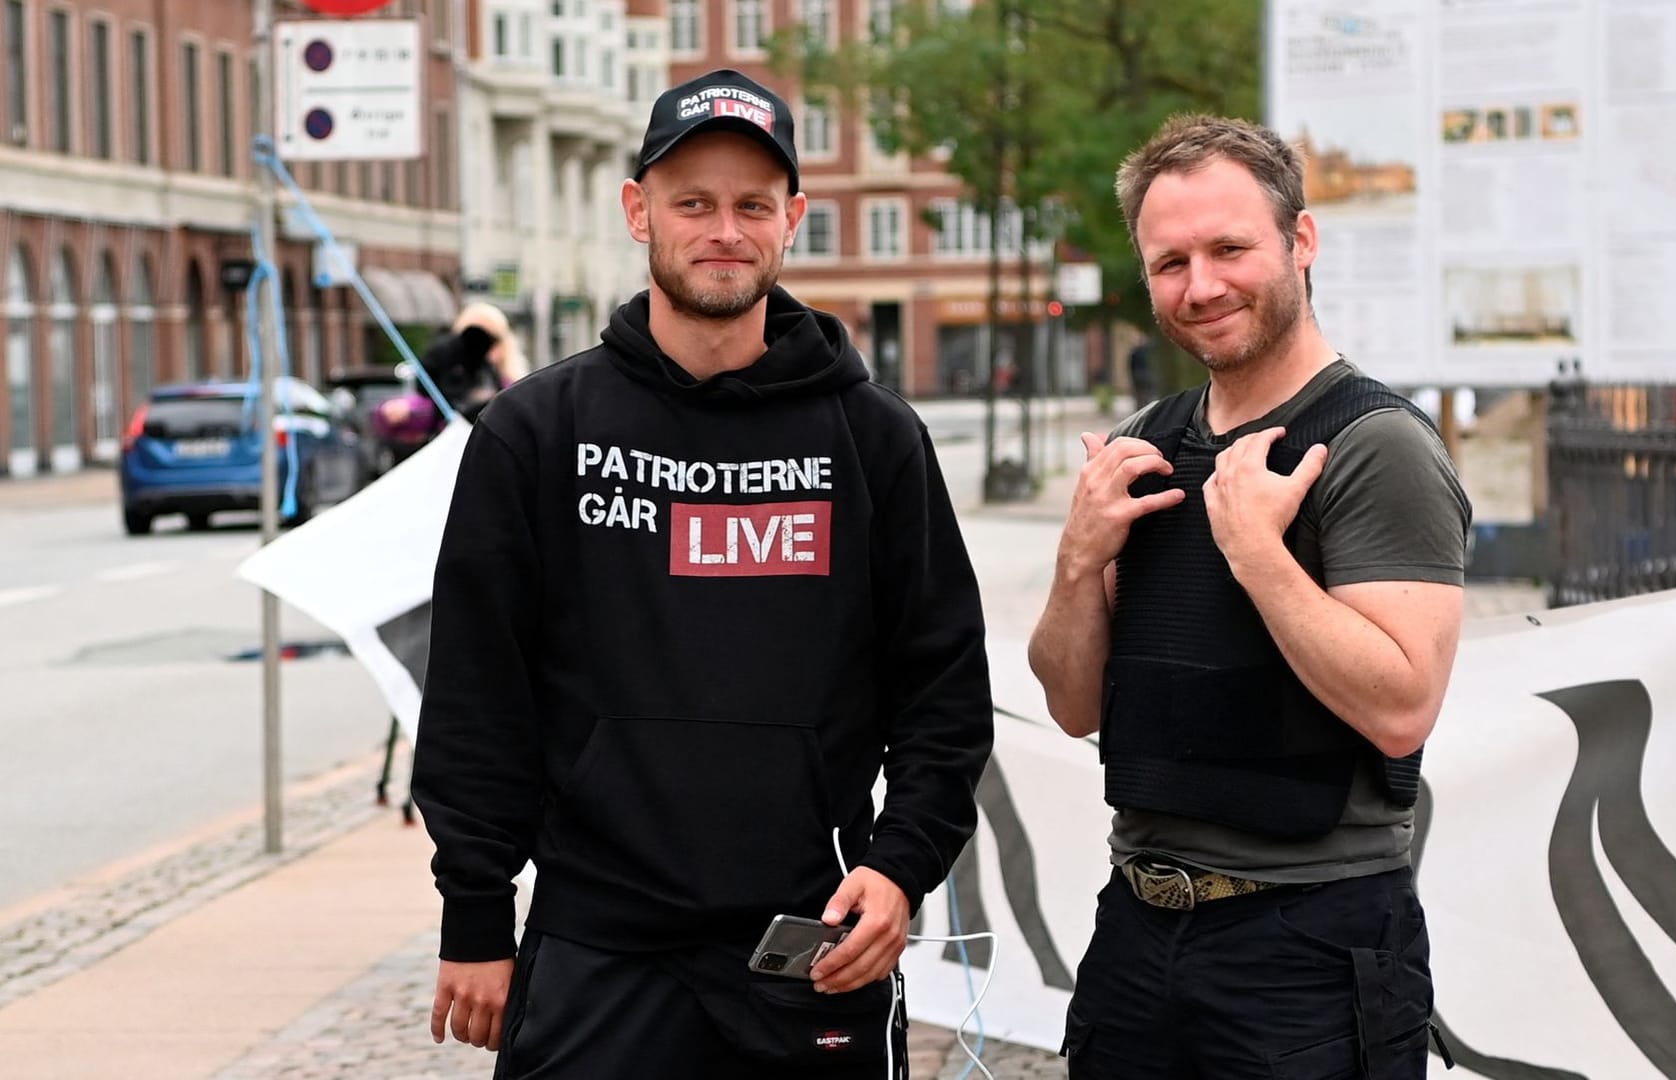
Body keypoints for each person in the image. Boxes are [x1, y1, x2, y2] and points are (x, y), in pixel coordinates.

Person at [412, 67, 994, 1078]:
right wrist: (475, 913)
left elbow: (943, 690)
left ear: (791, 219)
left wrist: (902, 872)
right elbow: (476, 695)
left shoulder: (874, 439)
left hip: (807, 946)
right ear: (639, 211)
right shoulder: (537, 435)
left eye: (751, 205)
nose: (723, 229)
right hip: (596, 945)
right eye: (693, 202)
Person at [1027, 114, 1471, 1078]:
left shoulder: (1373, 445)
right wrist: (1078, 559)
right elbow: (1069, 706)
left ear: (1301, 242)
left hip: (1309, 944)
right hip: (1136, 932)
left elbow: (1401, 709)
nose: (1202, 285)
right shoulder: (1147, 438)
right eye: (1170, 261)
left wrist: (1259, 555)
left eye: (1230, 248)